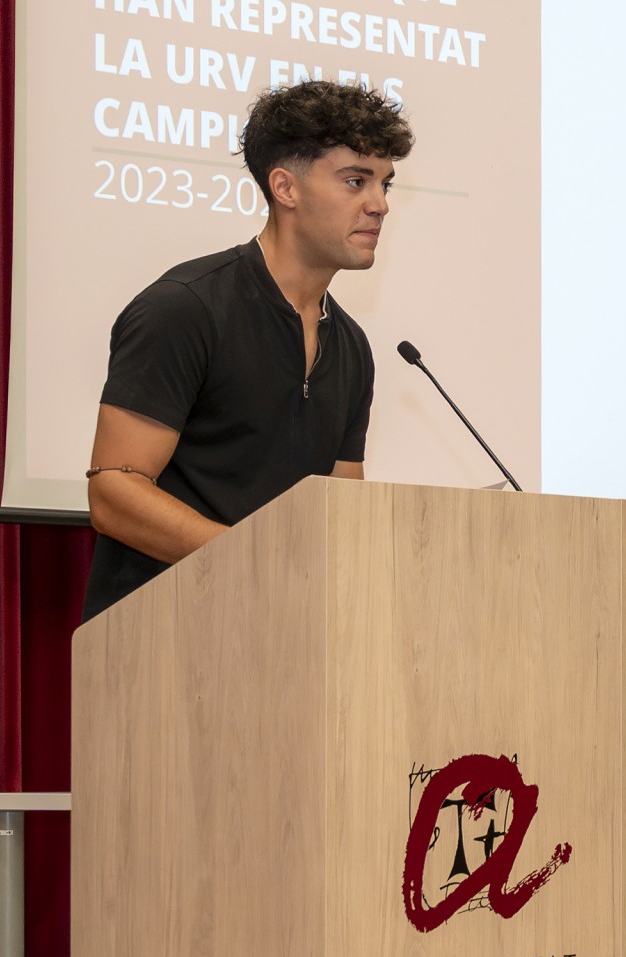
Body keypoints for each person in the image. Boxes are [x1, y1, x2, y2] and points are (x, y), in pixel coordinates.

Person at [79, 79, 411, 620]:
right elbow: (114, 492)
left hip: (285, 636)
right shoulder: (184, 308)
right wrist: (260, 564)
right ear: (285, 188)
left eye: (385, 184)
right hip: (163, 633)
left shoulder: (351, 346)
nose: (379, 205)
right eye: (356, 181)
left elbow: (343, 512)